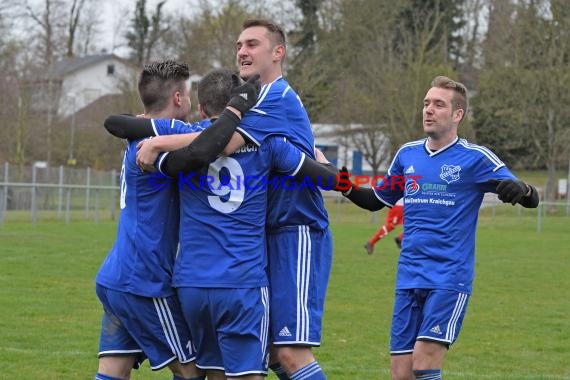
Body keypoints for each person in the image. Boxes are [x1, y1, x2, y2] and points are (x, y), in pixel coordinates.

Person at [103, 68, 343, 380]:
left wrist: (153, 144)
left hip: (191, 284)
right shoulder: (269, 143)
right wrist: (341, 173)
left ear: (201, 109)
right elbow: (330, 180)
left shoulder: (178, 142)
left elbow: (123, 126)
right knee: (247, 373)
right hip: (241, 282)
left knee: (208, 372)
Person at [338, 76, 539, 380]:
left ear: (457, 114)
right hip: (409, 275)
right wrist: (343, 185)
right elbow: (376, 200)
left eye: (438, 104)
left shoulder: (475, 158)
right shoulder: (408, 155)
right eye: (426, 103)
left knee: (423, 362)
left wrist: (521, 189)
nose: (428, 110)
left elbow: (529, 197)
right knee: (401, 373)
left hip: (449, 277)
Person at [95, 61, 260, 380]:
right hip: (144, 280)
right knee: (192, 370)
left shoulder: (138, 135)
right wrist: (240, 107)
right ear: (178, 98)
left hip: (116, 276)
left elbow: (119, 123)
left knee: (114, 369)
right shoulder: (169, 135)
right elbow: (213, 139)